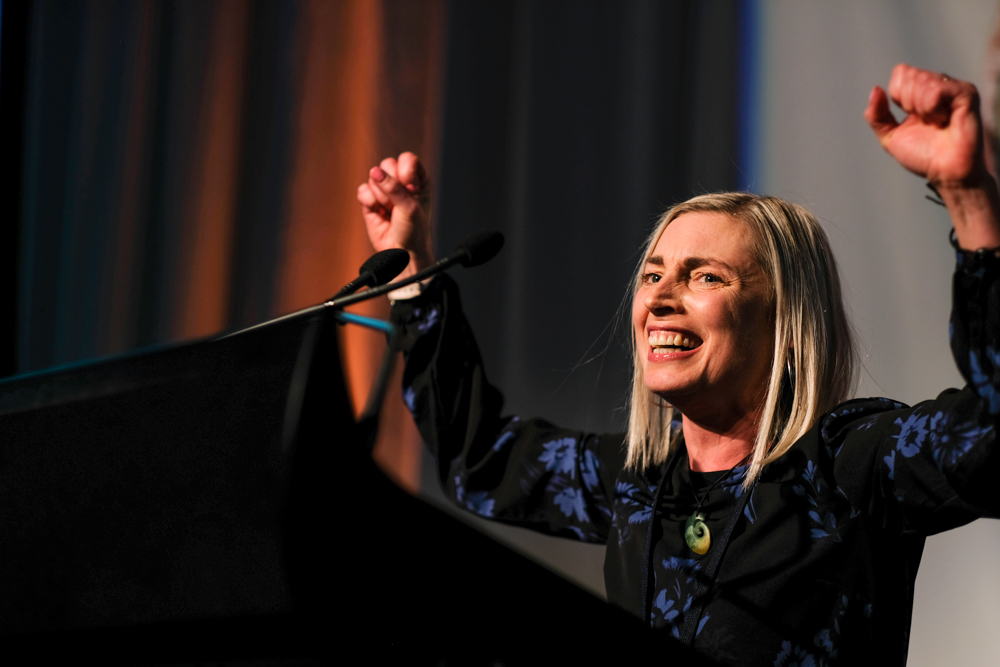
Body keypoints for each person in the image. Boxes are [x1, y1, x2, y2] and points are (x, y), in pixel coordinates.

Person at [356, 64, 1000, 666]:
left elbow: (991, 437)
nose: (659, 298)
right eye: (653, 274)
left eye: (705, 277)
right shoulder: (640, 481)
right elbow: (482, 461)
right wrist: (413, 279)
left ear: (785, 317)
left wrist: (969, 197)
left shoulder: (852, 466)